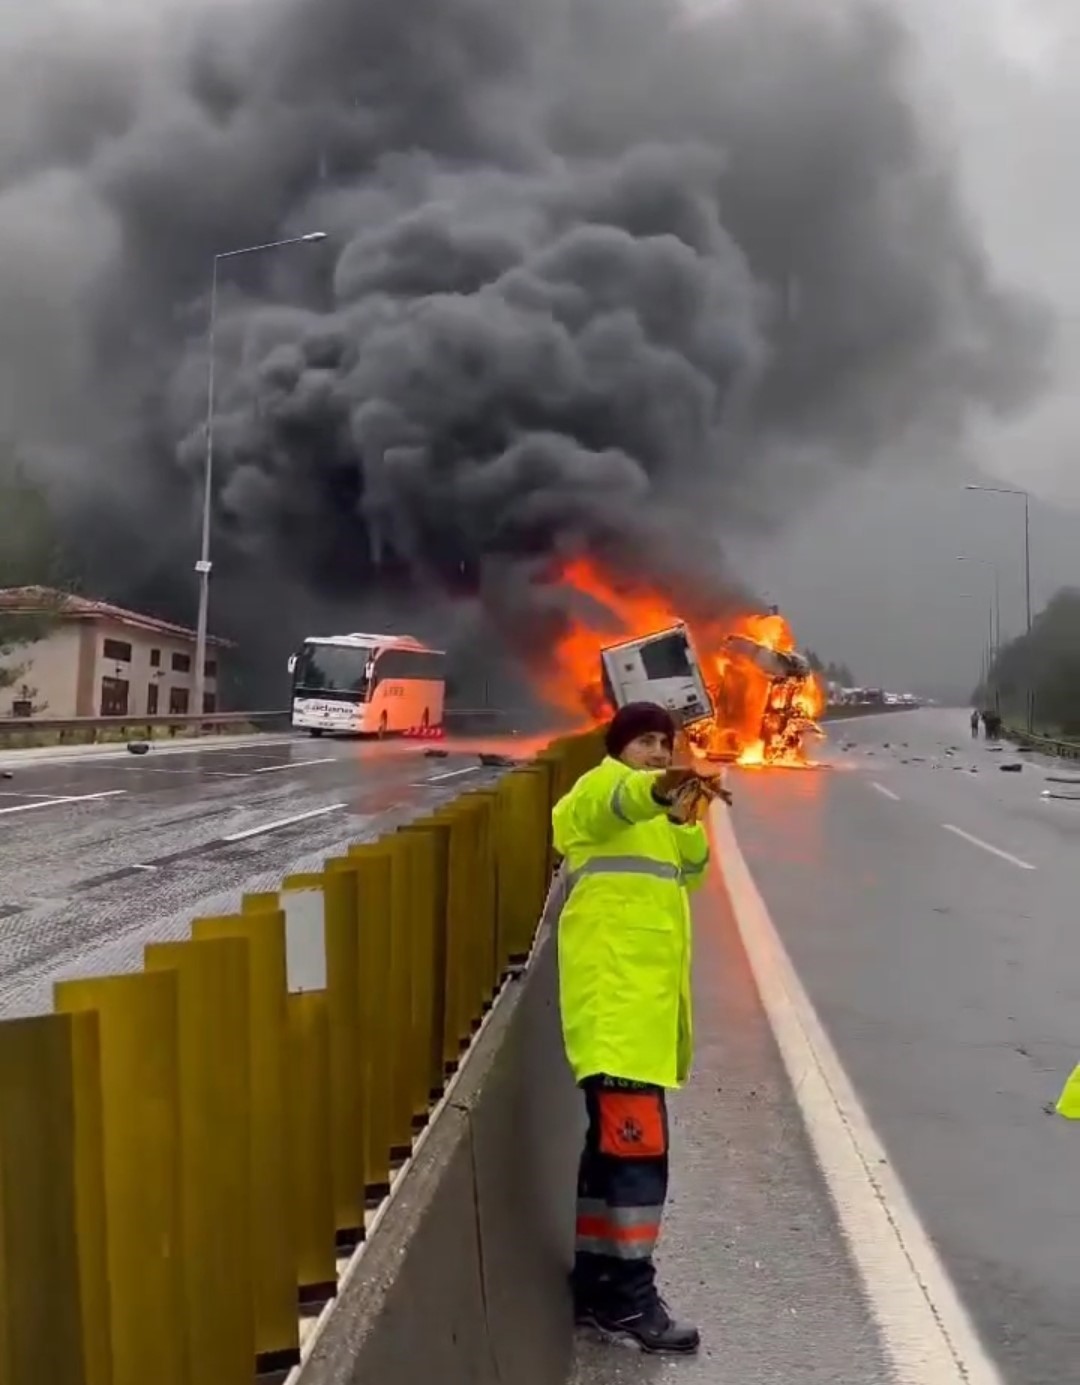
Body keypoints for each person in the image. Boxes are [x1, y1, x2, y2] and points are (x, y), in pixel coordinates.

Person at [549, 701, 727, 1354]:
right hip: (617, 1015)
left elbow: (696, 869)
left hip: (642, 1019)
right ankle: (630, 1297)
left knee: (611, 1159)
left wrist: (682, 816)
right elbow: (609, 804)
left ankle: (597, 1285)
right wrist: (653, 790)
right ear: (620, 746)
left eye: (666, 743)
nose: (658, 752)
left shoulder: (658, 816)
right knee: (638, 1163)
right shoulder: (601, 787)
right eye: (646, 741)